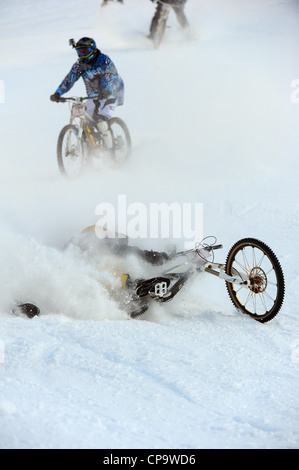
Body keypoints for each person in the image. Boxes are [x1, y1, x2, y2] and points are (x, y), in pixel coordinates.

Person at [50, 37, 124, 149]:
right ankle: (88, 153)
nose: (81, 55)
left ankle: (112, 151)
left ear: (92, 50)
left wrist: (108, 90)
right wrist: (58, 93)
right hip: (94, 95)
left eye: (84, 51)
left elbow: (112, 77)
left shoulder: (104, 60)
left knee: (101, 121)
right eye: (79, 51)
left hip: (113, 91)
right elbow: (69, 79)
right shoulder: (79, 65)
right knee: (87, 122)